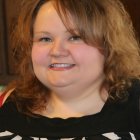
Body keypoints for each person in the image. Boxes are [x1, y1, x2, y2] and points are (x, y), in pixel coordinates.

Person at [0, 0, 140, 139]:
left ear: (109, 44)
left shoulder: (135, 104)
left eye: (75, 37)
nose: (56, 51)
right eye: (45, 39)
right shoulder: (8, 103)